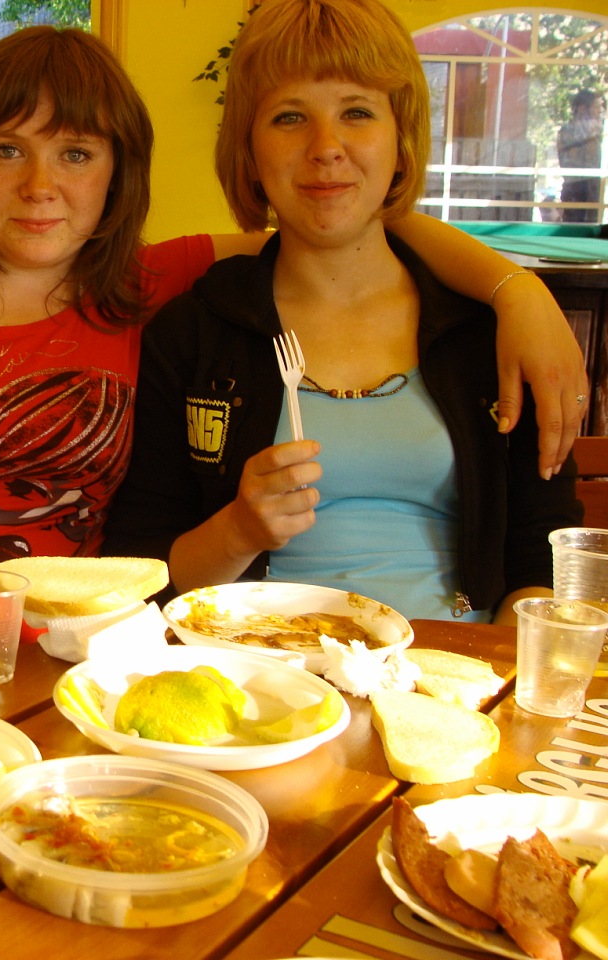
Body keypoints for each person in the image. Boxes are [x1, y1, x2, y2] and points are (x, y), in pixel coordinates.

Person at [0, 25, 586, 778]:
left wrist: (518, 293)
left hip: (63, 658)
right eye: (7, 150)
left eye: (76, 153)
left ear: (117, 173)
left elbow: (339, 211)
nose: (41, 185)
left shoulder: (147, 286)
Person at [101, 0, 581, 625]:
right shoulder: (193, 333)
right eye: (289, 117)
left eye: (357, 112)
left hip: (457, 663)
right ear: (249, 151)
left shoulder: (490, 330)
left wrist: (499, 669)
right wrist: (237, 530)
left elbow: (544, 555)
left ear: (401, 141)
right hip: (259, 665)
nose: (326, 147)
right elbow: (139, 575)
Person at [558, 89, 604, 223]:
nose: (600, 111)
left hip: (593, 189)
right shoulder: (570, 130)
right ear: (583, 108)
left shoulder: (596, 131)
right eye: (596, 107)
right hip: (576, 189)